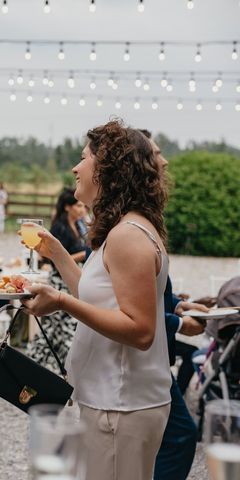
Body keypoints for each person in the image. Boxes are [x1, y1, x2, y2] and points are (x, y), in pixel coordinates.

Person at [22, 120, 172, 480]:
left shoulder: (127, 237)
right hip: (110, 402)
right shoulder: (121, 230)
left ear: (108, 170)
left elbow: (140, 331)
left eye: (83, 158)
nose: (76, 167)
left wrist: (59, 301)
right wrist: (57, 253)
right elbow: (99, 301)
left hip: (121, 405)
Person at [140, 129, 208, 480]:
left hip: (153, 354)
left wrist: (179, 304)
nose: (164, 160)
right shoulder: (131, 226)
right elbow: (123, 302)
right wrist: (180, 323)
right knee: (181, 434)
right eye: (156, 153)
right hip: (144, 358)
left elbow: (145, 289)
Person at [25, 187, 86, 371]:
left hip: (71, 282)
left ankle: (51, 367)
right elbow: (50, 259)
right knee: (55, 328)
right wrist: (83, 254)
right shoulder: (60, 227)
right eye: (79, 205)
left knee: (59, 328)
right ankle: (36, 363)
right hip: (60, 281)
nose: (83, 209)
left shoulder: (79, 225)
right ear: (67, 207)